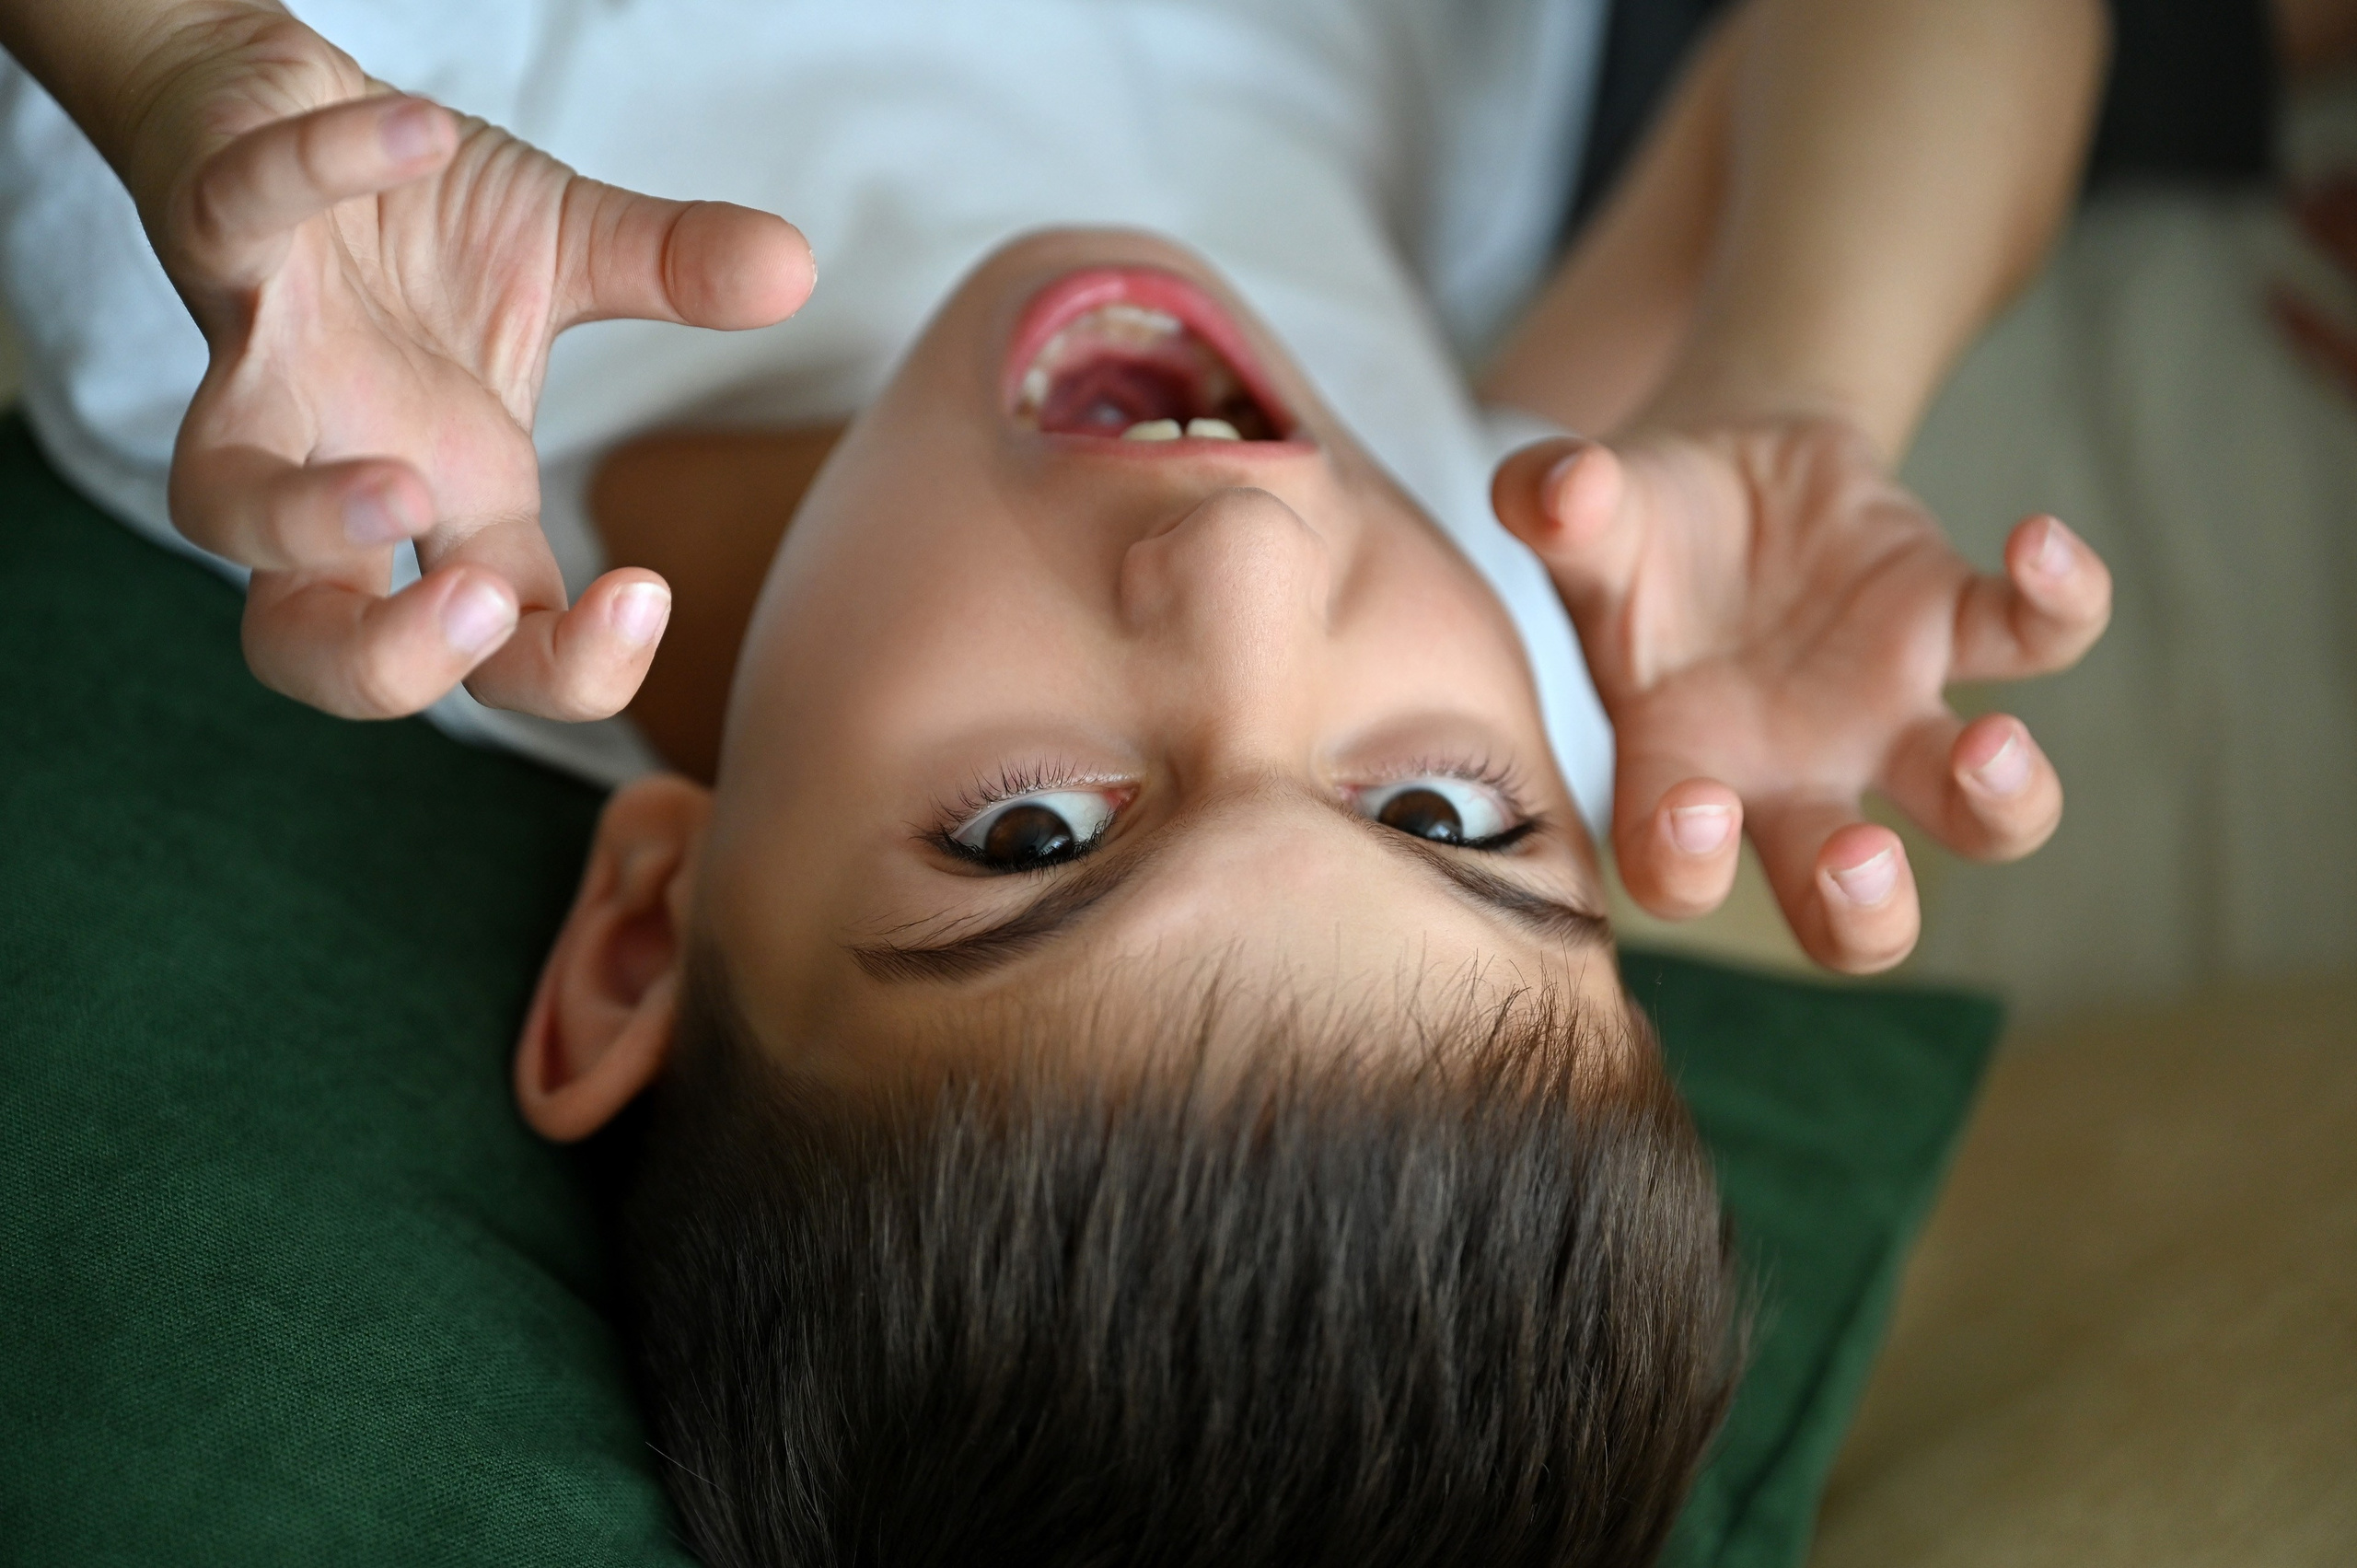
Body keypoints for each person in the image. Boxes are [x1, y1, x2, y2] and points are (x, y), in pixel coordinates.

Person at [0, 1, 2119, 1562]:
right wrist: (1790, 388)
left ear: (649, 926)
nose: (1246, 565)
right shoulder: (1529, 614)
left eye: (1033, 835)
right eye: (1446, 826)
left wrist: (180, 62)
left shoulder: (286, 363)